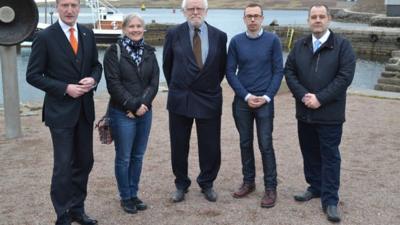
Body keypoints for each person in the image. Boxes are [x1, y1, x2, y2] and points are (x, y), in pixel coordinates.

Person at [26, 0, 102, 224]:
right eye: (65, 5)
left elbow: (96, 66)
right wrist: (65, 88)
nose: (70, 10)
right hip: (59, 113)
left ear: (79, 8)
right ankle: (62, 214)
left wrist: (94, 79)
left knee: (85, 161)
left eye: (74, 5)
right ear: (57, 7)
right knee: (63, 165)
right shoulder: (45, 37)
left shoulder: (88, 34)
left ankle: (78, 209)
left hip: (85, 111)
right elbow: (33, 75)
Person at [284, 4, 356, 223]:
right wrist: (304, 95)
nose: (317, 20)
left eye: (321, 16)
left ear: (329, 19)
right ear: (308, 20)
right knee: (309, 152)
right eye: (313, 17)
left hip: (330, 114)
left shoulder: (342, 46)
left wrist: (320, 98)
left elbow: (344, 77)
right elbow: (289, 72)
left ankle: (331, 199)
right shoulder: (300, 45)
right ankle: (314, 187)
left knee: (330, 156)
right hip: (304, 112)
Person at [162, 0, 227, 203]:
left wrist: (207, 85)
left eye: (199, 8)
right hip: (181, 97)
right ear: (184, 12)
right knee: (179, 144)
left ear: (206, 11)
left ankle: (207, 182)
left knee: (210, 145)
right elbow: (167, 65)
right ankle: (181, 184)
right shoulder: (173, 34)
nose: (195, 11)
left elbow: (221, 68)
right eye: (191, 8)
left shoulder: (219, 36)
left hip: (209, 96)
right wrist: (179, 86)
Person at [226, 3, 283, 208]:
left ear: (262, 18)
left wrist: (267, 96)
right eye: (249, 16)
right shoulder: (236, 42)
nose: (252, 19)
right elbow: (230, 72)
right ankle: (249, 182)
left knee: (265, 144)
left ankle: (270, 187)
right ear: (244, 19)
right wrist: (246, 95)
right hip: (243, 102)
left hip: (265, 102)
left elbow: (278, 71)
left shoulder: (272, 41)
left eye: (256, 16)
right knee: (245, 142)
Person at [103, 14, 159, 214]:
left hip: (145, 112)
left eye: (139, 26)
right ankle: (125, 197)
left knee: (138, 156)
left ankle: (134, 194)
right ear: (124, 29)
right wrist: (133, 105)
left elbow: (154, 82)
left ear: (143, 29)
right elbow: (113, 84)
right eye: (131, 26)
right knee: (124, 157)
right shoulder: (113, 52)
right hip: (121, 112)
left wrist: (143, 104)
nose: (135, 29)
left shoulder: (150, 52)